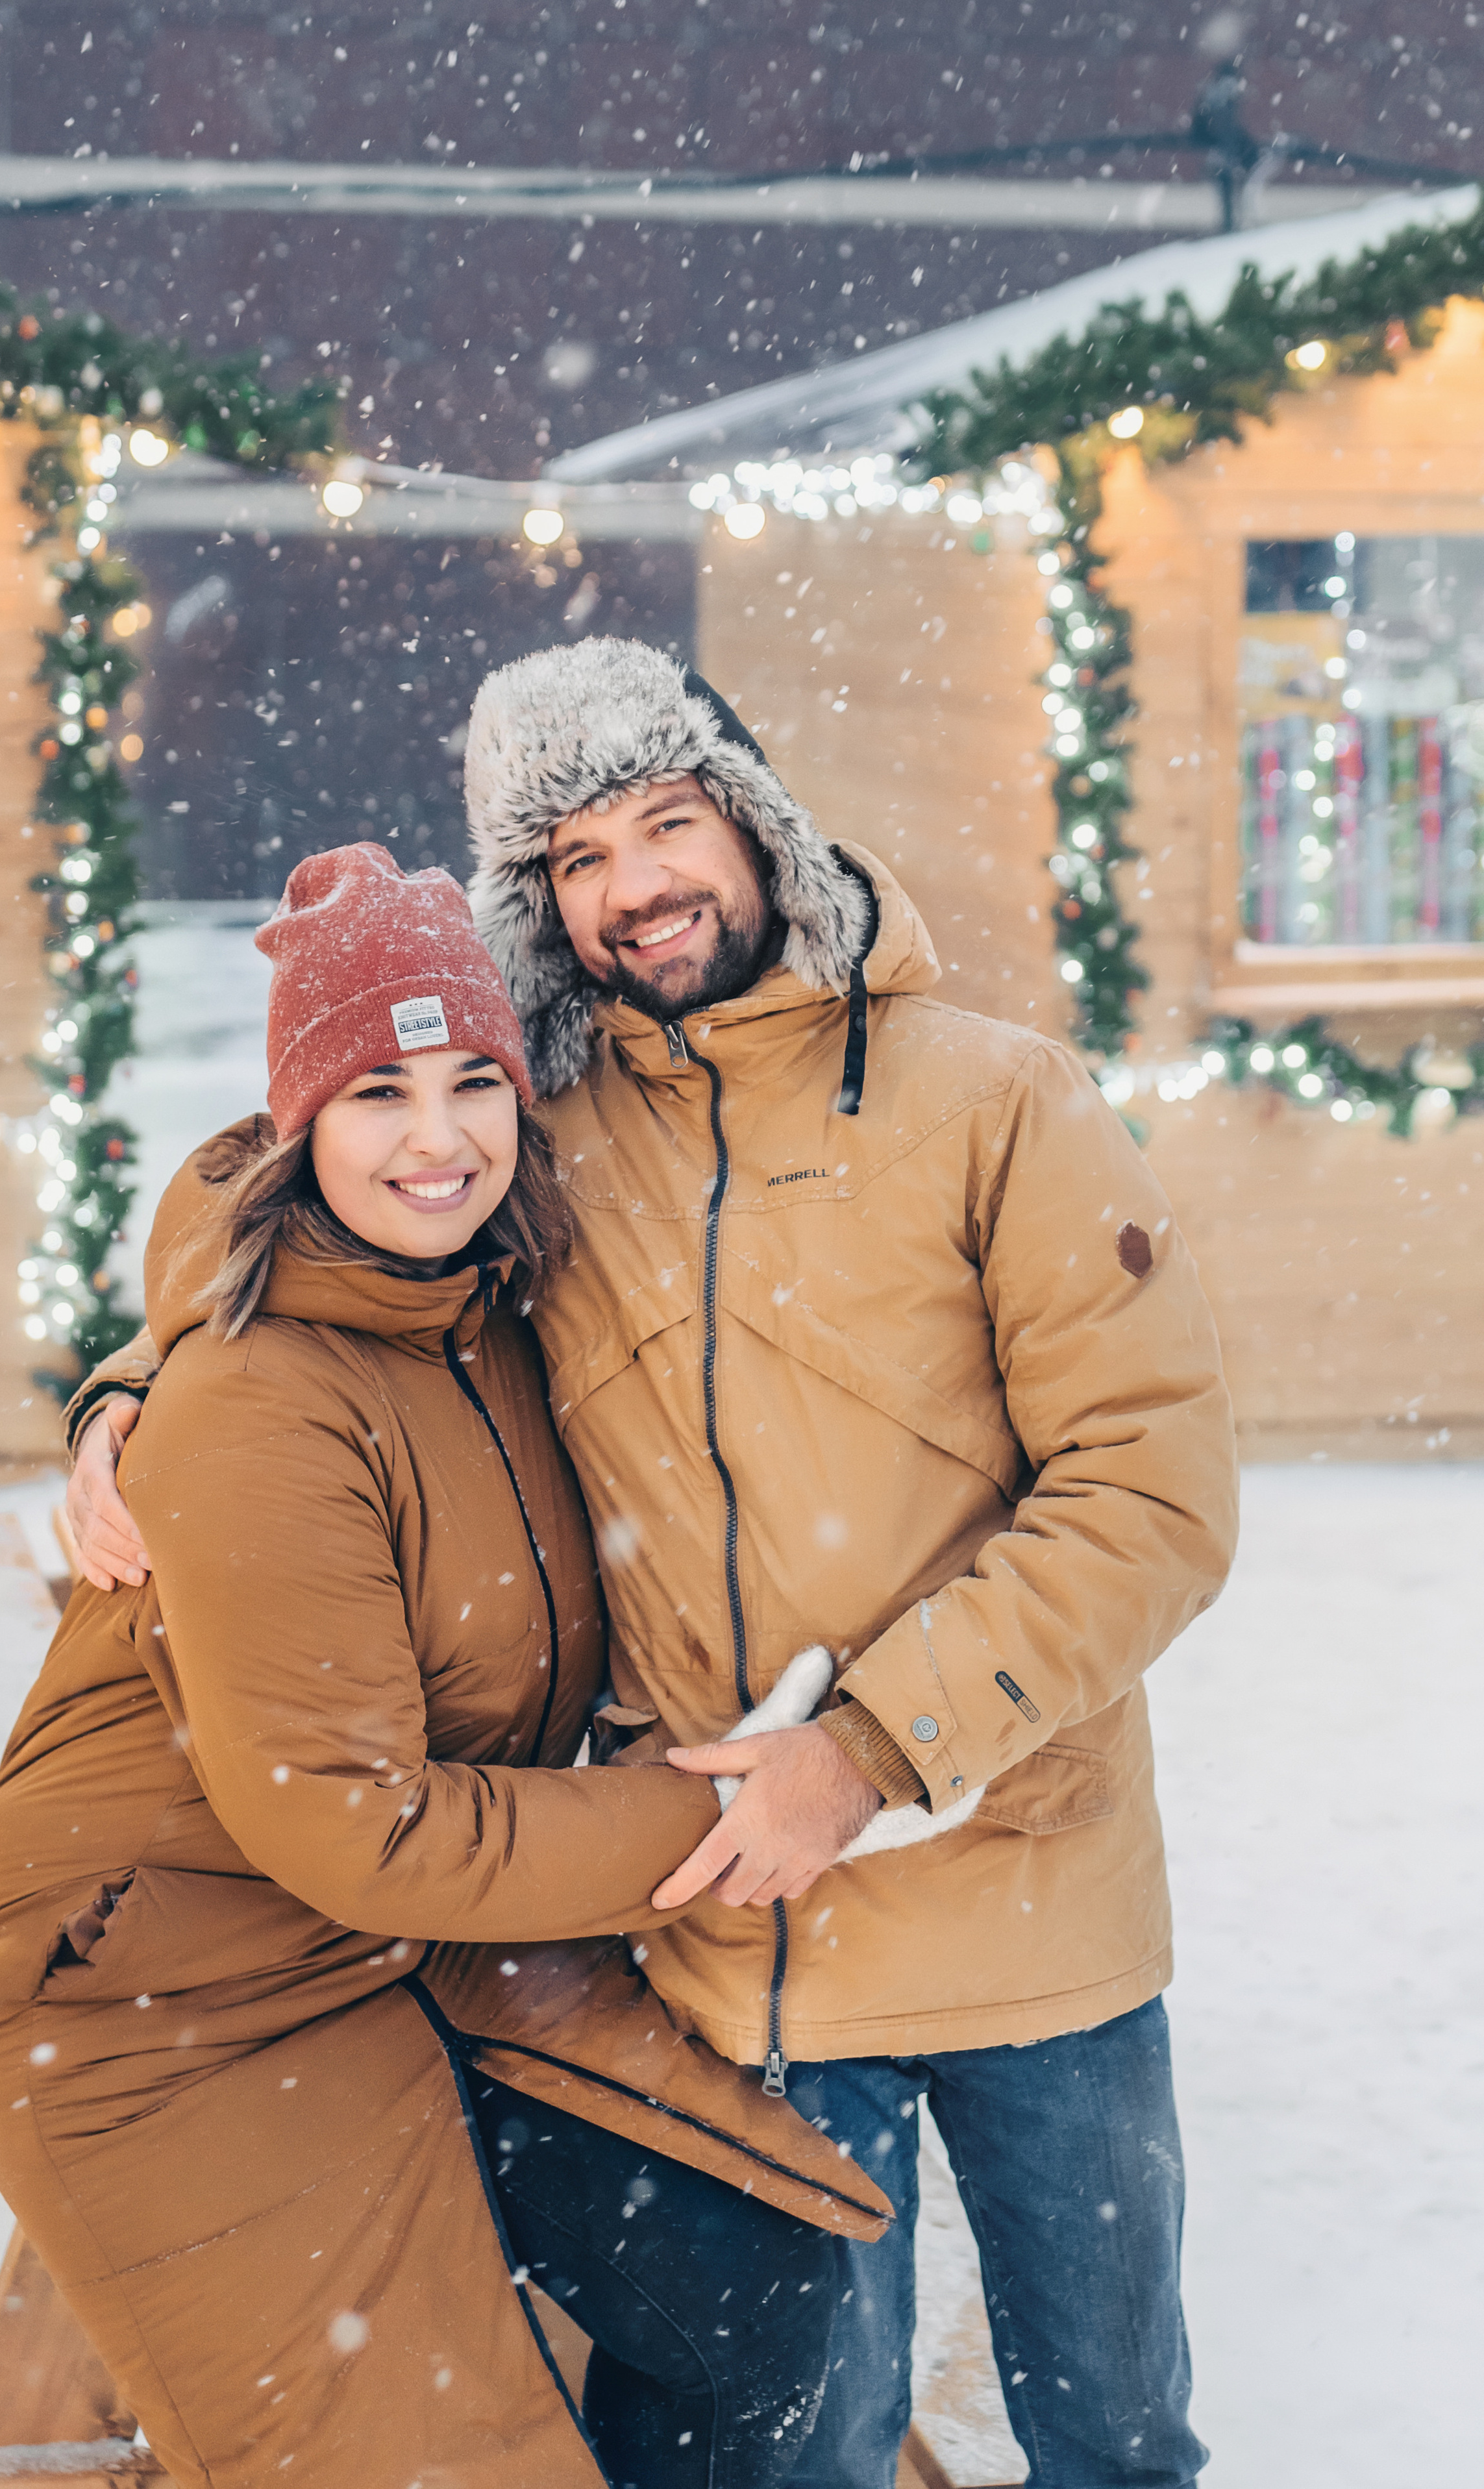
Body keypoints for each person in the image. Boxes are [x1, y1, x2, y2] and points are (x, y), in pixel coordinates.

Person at [69, 639, 1241, 2489]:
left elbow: (1154, 1494)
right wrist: (142, 1381)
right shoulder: (543, 1138)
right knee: (780, 2453)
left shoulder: (997, 1098)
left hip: (1032, 1914)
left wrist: (863, 1753)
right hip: (734, 1942)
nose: (637, 886)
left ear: (758, 824)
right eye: (577, 862)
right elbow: (308, 1200)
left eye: (667, 821)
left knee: (1110, 2436)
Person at [0, 841, 889, 2489]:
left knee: (761, 2286)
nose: (437, 1137)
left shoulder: (496, 1303)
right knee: (434, 2454)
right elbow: (351, 1827)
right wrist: (721, 1815)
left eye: (472, 1081)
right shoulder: (253, 1401)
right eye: (376, 1090)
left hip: (419, 1933)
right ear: (302, 1122)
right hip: (166, 1981)